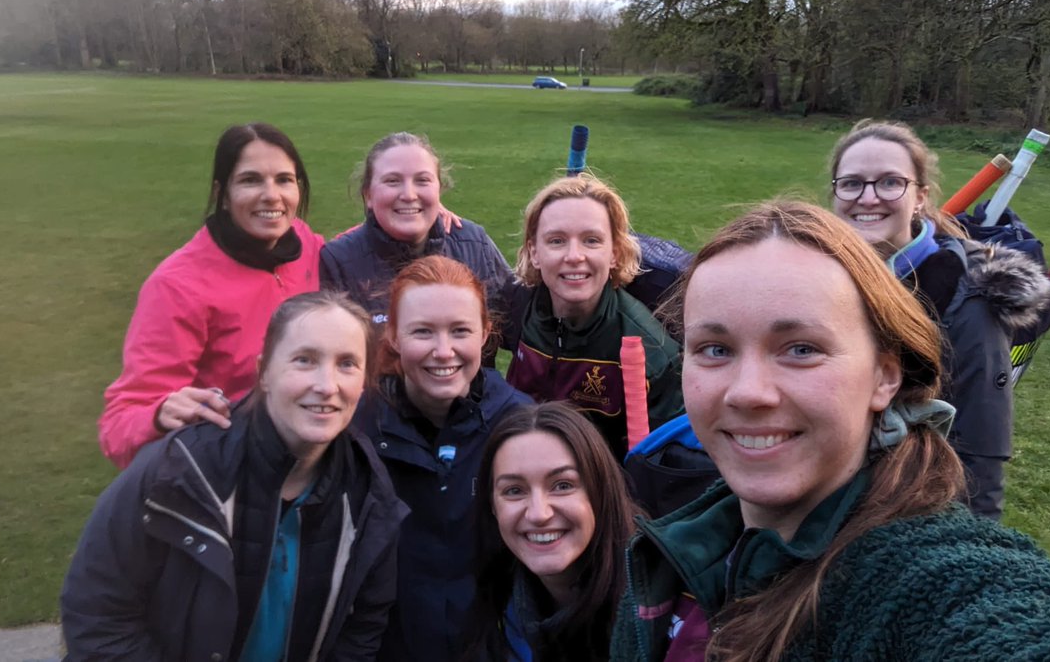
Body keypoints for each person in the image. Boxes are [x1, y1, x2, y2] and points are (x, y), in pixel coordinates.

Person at [611, 201, 1050, 662]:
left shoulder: (925, 578)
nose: (747, 392)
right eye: (715, 349)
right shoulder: (681, 539)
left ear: (885, 376)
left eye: (800, 349)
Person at [63, 291, 407, 662]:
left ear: (363, 382)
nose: (326, 385)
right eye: (304, 360)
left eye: (347, 364)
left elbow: (364, 625)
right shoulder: (178, 469)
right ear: (263, 373)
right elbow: (97, 613)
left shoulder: (368, 492)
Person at [828, 120, 1050, 519]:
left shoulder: (967, 301)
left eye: (889, 182)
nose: (868, 197)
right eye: (852, 183)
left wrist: (975, 546)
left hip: (898, 508)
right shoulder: (822, 274)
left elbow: (978, 449)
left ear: (920, 197)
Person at [98, 123, 327, 468]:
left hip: (314, 462)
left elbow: (354, 252)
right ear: (222, 193)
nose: (271, 195)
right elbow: (118, 426)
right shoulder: (177, 286)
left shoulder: (305, 243)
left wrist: (430, 218)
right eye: (250, 180)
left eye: (284, 179)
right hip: (231, 472)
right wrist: (158, 415)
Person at [351, 255, 532, 662]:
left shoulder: (520, 427)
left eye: (460, 331)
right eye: (423, 332)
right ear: (394, 336)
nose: (443, 351)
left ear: (486, 333)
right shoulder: (355, 428)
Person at [506, 174, 683, 461]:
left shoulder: (652, 353)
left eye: (591, 240)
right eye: (557, 240)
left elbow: (663, 471)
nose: (574, 256)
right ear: (534, 252)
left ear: (614, 253)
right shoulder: (517, 309)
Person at [465, 402, 643, 662]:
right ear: (492, 506)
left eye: (562, 485)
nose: (539, 514)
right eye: (514, 490)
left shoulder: (659, 612)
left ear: (601, 492)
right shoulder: (495, 600)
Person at [319, 132, 515, 339]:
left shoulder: (473, 243)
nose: (409, 195)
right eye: (392, 181)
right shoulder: (339, 259)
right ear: (368, 195)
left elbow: (522, 322)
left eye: (422, 180)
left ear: (439, 189)